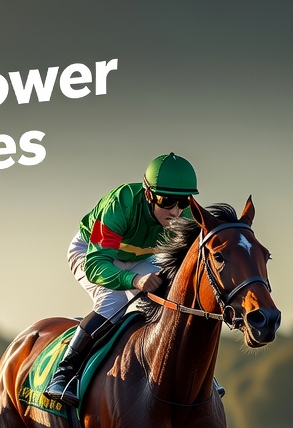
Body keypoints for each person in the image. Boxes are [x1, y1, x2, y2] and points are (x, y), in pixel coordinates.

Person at [44, 153, 212, 406]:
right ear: (148, 194)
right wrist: (135, 281)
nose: (176, 211)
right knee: (113, 303)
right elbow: (96, 265)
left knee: (173, 299)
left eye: (182, 201)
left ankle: (199, 372)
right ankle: (64, 374)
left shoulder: (187, 215)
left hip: (142, 257)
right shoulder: (120, 205)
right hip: (94, 252)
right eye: (166, 201)